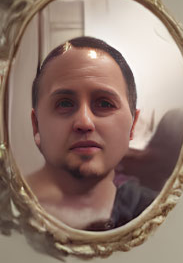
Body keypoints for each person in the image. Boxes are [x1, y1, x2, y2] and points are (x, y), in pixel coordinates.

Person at [25, 37, 157, 231]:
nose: (84, 122)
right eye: (64, 103)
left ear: (132, 125)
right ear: (36, 125)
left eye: (105, 104)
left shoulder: (156, 212)